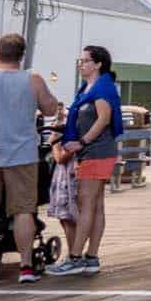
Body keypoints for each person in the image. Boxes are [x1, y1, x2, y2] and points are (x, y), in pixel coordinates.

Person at [0, 32, 61, 286]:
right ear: (22, 56)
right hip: (21, 155)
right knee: (23, 211)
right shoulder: (32, 80)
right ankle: (26, 267)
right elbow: (51, 109)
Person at [45, 45, 121, 276]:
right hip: (98, 152)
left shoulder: (102, 87)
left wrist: (82, 141)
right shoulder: (88, 87)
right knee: (96, 206)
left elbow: (104, 118)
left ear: (98, 64)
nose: (81, 64)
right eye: (80, 60)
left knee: (86, 203)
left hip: (96, 151)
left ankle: (75, 257)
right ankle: (91, 257)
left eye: (86, 60)